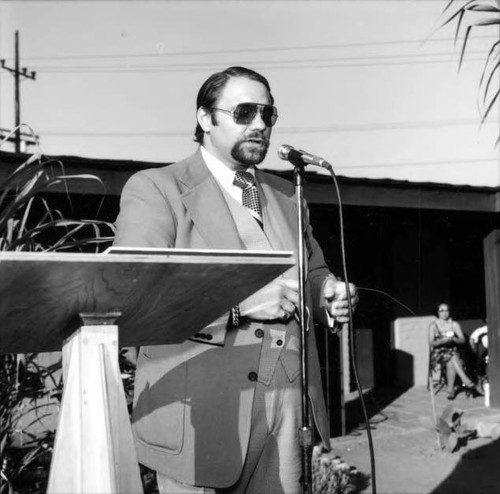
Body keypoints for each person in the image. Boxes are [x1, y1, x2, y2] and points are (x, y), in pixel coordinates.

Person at [113, 66, 358, 493]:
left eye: (268, 114)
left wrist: (329, 296)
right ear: (206, 119)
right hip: (201, 415)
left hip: (288, 410)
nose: (260, 124)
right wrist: (239, 307)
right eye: (245, 112)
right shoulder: (157, 188)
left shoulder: (287, 195)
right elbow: (137, 298)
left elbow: (313, 273)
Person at [428, 303, 481, 400]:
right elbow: (431, 342)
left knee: (451, 360)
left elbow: (462, 340)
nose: (444, 313)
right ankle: (466, 380)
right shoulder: (433, 325)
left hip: (452, 351)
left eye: (446, 310)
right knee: (452, 356)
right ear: (438, 313)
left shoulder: (454, 324)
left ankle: (450, 391)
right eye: (442, 310)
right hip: (438, 353)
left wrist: (453, 339)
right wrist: (441, 341)